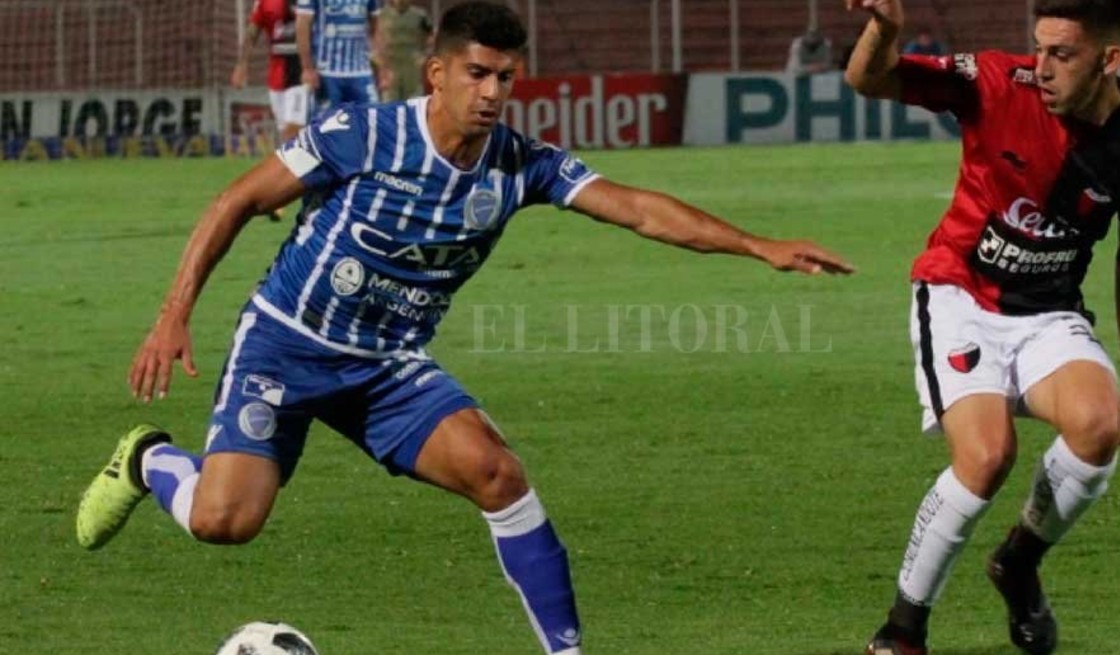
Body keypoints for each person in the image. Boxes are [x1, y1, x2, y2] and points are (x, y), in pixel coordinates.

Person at [74, 3, 854, 655]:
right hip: (286, 343)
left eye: (505, 78)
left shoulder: (520, 163)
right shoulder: (364, 133)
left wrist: (758, 245)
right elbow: (235, 201)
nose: (490, 93)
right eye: (476, 74)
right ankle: (150, 460)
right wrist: (173, 313)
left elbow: (637, 207)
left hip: (385, 365)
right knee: (224, 521)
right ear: (438, 72)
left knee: (498, 472)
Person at [841, 0, 1120, 654]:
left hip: (1049, 309)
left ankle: (1018, 561)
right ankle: (903, 627)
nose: (1041, 66)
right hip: (959, 293)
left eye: (1062, 54)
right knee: (987, 456)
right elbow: (867, 79)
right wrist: (885, 28)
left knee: (1099, 423)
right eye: (1039, 47)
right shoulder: (997, 82)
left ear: (1110, 59)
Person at [231, 0, 310, 144]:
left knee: (294, 129)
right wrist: (241, 66)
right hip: (277, 75)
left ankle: (299, 163)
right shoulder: (265, 3)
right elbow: (252, 33)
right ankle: (290, 163)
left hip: (303, 72)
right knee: (285, 132)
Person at [295, 0, 384, 116]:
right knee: (326, 127)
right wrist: (307, 68)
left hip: (361, 72)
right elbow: (302, 25)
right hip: (327, 73)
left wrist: (383, 66)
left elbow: (377, 26)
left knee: (372, 122)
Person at [377, 0, 435, 102]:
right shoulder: (382, 15)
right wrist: (380, 63)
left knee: (414, 100)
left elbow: (432, 35)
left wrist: (425, 54)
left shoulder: (419, 15)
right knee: (390, 101)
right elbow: (376, 37)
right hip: (391, 65)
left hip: (411, 64)